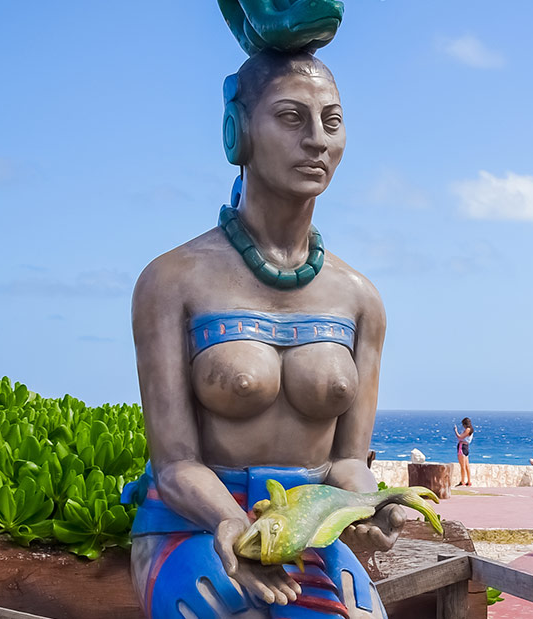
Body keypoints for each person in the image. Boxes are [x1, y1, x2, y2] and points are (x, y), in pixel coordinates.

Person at [126, 8, 398, 616]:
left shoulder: (360, 299)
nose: (317, 141)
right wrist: (232, 523)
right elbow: (174, 465)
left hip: (307, 536)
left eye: (332, 121)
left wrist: (370, 505)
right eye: (291, 118)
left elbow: (349, 460)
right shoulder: (172, 281)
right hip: (192, 527)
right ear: (238, 131)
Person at [454, 417, 474, 487]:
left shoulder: (467, 430)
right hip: (466, 447)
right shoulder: (470, 430)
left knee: (462, 466)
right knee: (466, 466)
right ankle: (469, 481)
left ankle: (462, 481)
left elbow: (460, 437)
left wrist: (456, 431)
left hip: (462, 447)